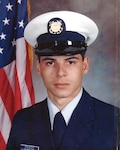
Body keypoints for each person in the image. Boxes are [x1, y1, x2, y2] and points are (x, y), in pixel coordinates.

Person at [6, 11, 120, 150]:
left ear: (85, 66)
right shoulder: (22, 120)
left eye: (70, 62)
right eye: (50, 63)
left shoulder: (113, 120)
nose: (60, 72)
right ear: (39, 68)